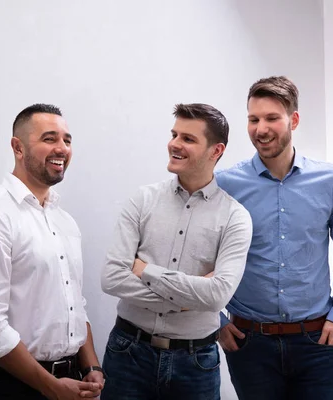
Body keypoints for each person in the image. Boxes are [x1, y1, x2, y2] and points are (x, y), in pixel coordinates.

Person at [216, 76, 333, 400]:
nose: (261, 128)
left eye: (272, 118)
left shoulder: (331, 180)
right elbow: (200, 256)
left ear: (293, 120)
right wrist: (215, 319)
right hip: (248, 344)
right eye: (253, 119)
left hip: (316, 340)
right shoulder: (226, 184)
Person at [100, 103, 252, 400]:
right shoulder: (142, 200)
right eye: (174, 134)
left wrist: (145, 270)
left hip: (195, 364)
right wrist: (189, 298)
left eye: (188, 139)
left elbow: (217, 296)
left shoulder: (236, 217)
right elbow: (111, 278)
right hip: (128, 352)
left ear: (216, 151)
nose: (175, 144)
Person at [0, 104, 105, 400]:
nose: (62, 148)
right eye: (49, 139)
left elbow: (76, 303)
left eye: (67, 140)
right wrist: (50, 386)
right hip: (14, 387)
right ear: (18, 147)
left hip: (72, 380)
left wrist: (92, 365)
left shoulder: (64, 221)